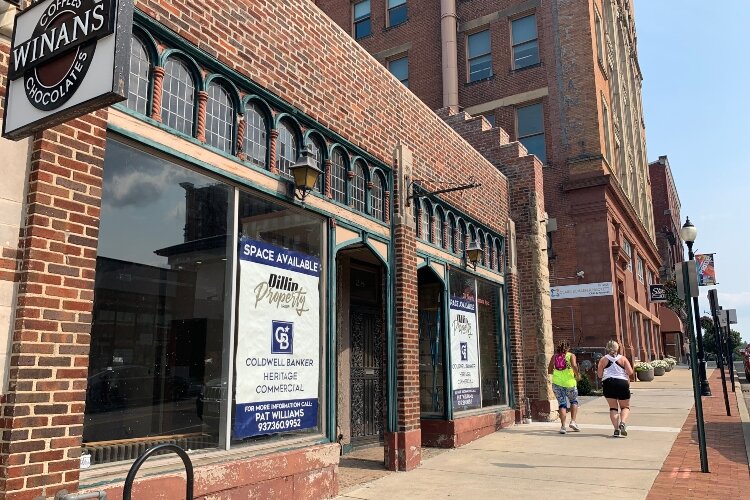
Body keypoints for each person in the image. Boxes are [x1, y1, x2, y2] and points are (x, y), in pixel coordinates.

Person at [597, 340, 634, 437]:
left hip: (608, 383)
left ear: (607, 348)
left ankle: (616, 429)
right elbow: (630, 372)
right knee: (625, 407)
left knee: (613, 408)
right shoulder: (623, 359)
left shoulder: (603, 359)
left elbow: (599, 375)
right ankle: (623, 423)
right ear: (617, 348)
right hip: (622, 383)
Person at [548, 340, 580, 434]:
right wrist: (577, 375)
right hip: (570, 383)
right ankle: (573, 421)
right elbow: (574, 366)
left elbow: (549, 370)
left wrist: (556, 372)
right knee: (573, 401)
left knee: (562, 404)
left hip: (557, 383)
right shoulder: (571, 356)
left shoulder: (554, 356)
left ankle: (563, 427)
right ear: (568, 347)